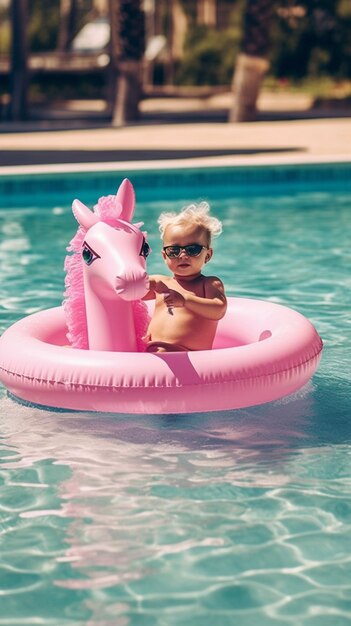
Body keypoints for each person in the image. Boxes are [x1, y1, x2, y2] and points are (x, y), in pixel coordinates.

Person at [143, 202, 227, 352]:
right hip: (152, 352)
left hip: (187, 358)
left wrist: (185, 300)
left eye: (192, 249)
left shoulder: (209, 284)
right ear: (164, 256)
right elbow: (131, 291)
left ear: (207, 255)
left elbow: (218, 310)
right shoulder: (160, 283)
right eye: (174, 250)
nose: (183, 255)